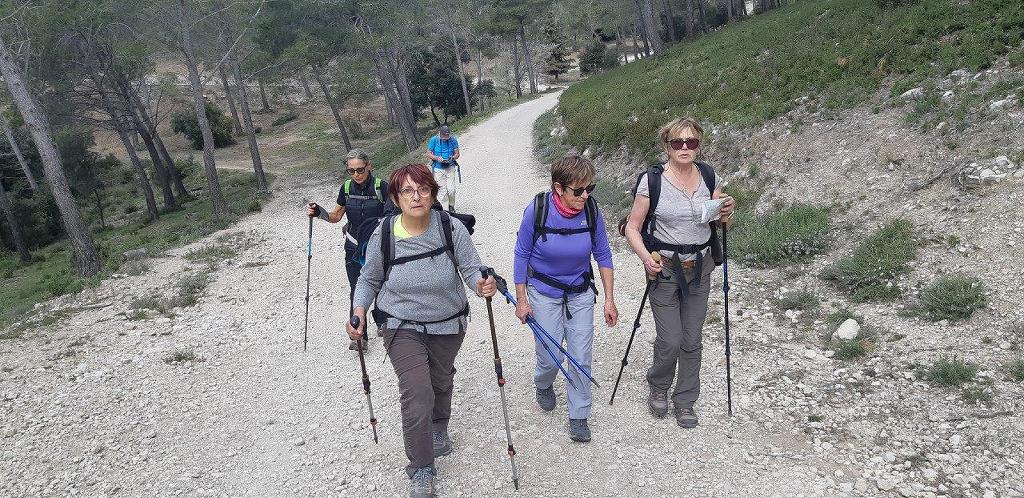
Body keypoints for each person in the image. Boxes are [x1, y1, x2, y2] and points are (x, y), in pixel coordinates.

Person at [347, 163, 496, 498]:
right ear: (396, 198)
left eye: (423, 189)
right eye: (408, 191)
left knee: (441, 379)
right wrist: (358, 311)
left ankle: (439, 424)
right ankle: (421, 469)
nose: (416, 197)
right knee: (417, 390)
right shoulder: (383, 233)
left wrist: (480, 285)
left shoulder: (450, 227)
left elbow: (471, 268)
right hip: (401, 324)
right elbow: (369, 279)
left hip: (449, 321)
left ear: (432, 193)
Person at [622, 117, 734, 430]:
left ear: (698, 144)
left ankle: (685, 400)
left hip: (700, 266)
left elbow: (719, 221)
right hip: (665, 268)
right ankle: (659, 384)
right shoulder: (652, 180)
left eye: (691, 142)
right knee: (670, 339)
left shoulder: (709, 176)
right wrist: (646, 258)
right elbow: (632, 227)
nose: (684, 148)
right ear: (667, 145)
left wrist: (727, 209)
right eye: (677, 142)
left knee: (692, 338)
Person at [512, 155, 619, 443]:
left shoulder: (592, 211)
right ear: (558, 188)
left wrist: (609, 299)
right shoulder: (537, 210)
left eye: (589, 189)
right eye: (578, 190)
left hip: (580, 292)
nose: (585, 195)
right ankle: (543, 382)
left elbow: (603, 254)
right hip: (543, 290)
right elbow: (521, 254)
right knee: (550, 355)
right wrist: (522, 300)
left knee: (581, 355)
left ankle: (579, 415)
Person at [306, 148, 394, 351]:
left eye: (360, 170)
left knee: (382, 284)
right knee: (357, 288)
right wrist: (319, 212)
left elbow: (392, 216)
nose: (356, 175)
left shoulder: (382, 187)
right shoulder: (346, 189)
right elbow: (336, 217)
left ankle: (381, 320)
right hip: (353, 246)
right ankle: (359, 336)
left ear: (369, 166)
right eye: (351, 171)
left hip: (378, 245)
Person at [426, 125, 460, 212]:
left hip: (450, 167)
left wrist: (452, 158)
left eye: (447, 137)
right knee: (442, 191)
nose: (445, 139)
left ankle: (451, 205)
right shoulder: (434, 140)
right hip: (438, 169)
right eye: (444, 137)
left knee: (451, 190)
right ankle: (446, 211)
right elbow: (428, 153)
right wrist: (437, 158)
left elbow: (457, 154)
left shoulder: (453, 139)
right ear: (439, 134)